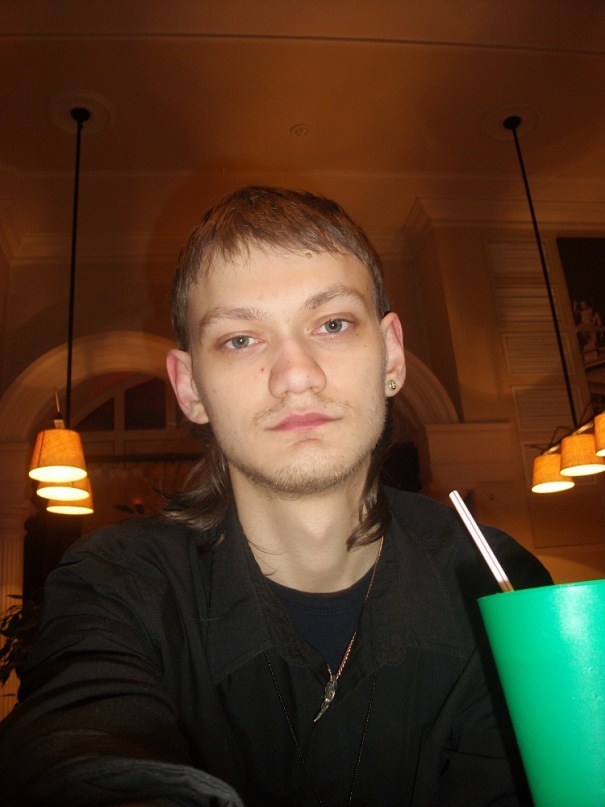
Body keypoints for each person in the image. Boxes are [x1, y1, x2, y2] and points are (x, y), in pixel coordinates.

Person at [0, 186, 552, 806]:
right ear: (190, 388)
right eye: (240, 339)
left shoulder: (499, 585)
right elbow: (77, 751)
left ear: (392, 355)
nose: (296, 375)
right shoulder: (118, 583)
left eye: (333, 324)